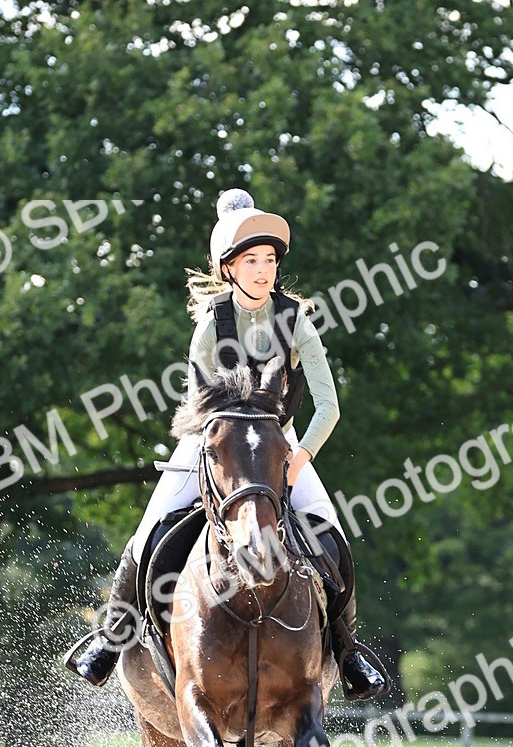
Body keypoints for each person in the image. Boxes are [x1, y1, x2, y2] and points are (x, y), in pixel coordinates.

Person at [69, 188, 388, 700]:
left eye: (269, 260)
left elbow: (328, 407)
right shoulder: (209, 324)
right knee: (147, 532)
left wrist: (299, 458)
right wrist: (220, 456)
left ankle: (348, 652)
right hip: (213, 444)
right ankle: (110, 638)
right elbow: (200, 406)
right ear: (229, 268)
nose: (263, 271)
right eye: (251, 261)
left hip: (280, 446)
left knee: (332, 538)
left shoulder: (296, 321)